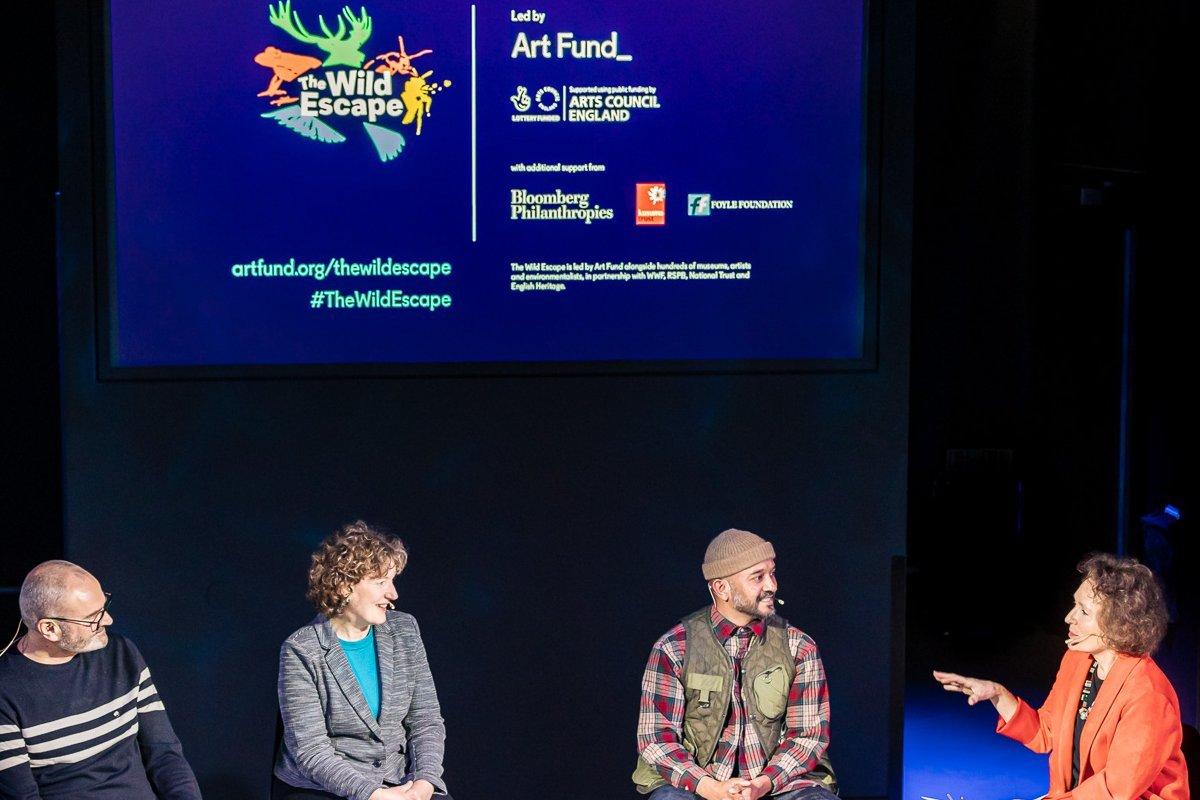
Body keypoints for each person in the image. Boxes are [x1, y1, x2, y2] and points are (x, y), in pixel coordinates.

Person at [933, 553, 1189, 800]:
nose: (1069, 617)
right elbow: (1046, 732)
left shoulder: (1149, 695)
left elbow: (1115, 792)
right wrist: (998, 694)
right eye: (1074, 605)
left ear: (1119, 624)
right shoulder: (1077, 660)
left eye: (1084, 612)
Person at [633, 528, 838, 800]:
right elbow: (656, 738)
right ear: (721, 588)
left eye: (772, 573)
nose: (772, 585)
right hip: (699, 783)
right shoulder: (674, 648)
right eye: (758, 577)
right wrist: (709, 786)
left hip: (778, 784)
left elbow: (808, 736)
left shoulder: (798, 647)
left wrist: (763, 783)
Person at [274, 521, 449, 800]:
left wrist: (424, 783)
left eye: (392, 581)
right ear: (344, 586)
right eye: (381, 582)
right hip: (324, 789)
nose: (393, 594)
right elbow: (311, 751)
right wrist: (375, 795)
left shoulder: (405, 631)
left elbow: (425, 719)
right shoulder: (302, 649)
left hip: (399, 782)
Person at [0, 560, 202, 799]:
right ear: (50, 628)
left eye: (104, 606)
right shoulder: (6, 691)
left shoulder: (121, 654)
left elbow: (165, 753)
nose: (108, 620)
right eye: (93, 617)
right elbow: (22, 796)